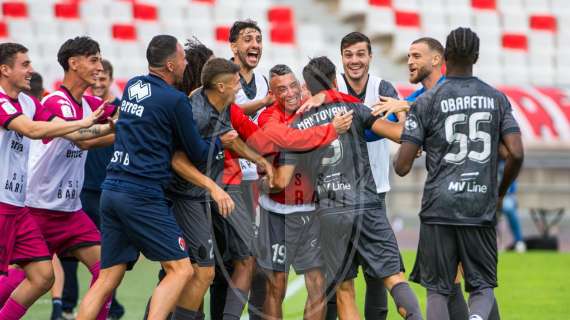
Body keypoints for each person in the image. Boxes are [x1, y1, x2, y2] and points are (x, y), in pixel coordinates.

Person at [75, 34, 225, 319]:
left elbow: (140, 125)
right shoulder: (175, 100)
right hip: (141, 193)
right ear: (170, 65)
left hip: (112, 189)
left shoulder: (133, 85)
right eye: (181, 58)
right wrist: (220, 144)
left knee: (107, 279)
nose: (184, 63)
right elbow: (195, 152)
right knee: (181, 269)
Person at [273, 56, 422, 320]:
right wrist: (403, 110)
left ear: (307, 86)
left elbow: (281, 180)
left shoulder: (297, 125)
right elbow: (400, 135)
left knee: (344, 290)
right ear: (334, 80)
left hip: (330, 213)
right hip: (366, 205)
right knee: (394, 278)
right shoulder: (354, 109)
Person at [393, 27, 524, 320]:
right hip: (480, 204)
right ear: (476, 56)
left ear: (446, 57)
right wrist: (499, 193)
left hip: (439, 206)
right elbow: (516, 152)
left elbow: (401, 166)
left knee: (438, 289)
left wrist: (418, 138)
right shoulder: (496, 98)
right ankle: (476, 317)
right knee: (482, 285)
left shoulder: (426, 101)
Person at [0, 42, 108, 319]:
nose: (31, 70)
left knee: (53, 274)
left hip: (56, 209)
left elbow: (79, 136)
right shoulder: (46, 102)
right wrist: (85, 124)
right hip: (31, 206)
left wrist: (131, 124)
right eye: (24, 65)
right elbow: (35, 130)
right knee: (15, 276)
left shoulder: (29, 102)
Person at [255, 64, 350, 320]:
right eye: (281, 89)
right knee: (276, 286)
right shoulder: (268, 118)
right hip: (277, 213)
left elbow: (342, 98)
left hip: (312, 210)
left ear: (301, 85)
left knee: (317, 284)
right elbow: (290, 139)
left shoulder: (311, 107)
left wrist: (323, 96)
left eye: (293, 86)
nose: (290, 93)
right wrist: (330, 130)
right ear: (272, 95)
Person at [326, 31, 402, 320]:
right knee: (337, 275)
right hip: (335, 194)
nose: (354, 60)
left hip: (375, 191)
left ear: (371, 56)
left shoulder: (383, 88)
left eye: (360, 54)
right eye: (348, 54)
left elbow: (397, 130)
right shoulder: (332, 87)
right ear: (341, 58)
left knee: (377, 272)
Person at [58, 59, 125, 320]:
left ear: (110, 79)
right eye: (95, 78)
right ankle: (66, 304)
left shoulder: (116, 109)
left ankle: (109, 305)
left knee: (106, 253)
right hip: (83, 188)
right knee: (70, 251)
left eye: (103, 78)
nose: (98, 83)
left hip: (108, 188)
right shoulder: (83, 111)